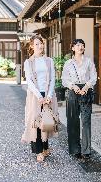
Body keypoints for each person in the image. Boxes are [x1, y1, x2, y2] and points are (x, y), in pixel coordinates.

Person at [21, 34, 59, 162]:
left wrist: (48, 95)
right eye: (36, 44)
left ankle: (45, 147)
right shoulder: (28, 62)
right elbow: (29, 81)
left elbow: (53, 78)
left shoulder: (49, 60)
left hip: (48, 95)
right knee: (36, 123)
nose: (40, 46)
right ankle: (39, 151)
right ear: (32, 46)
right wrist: (39, 96)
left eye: (41, 43)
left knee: (47, 121)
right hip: (35, 96)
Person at [61, 39, 97, 159]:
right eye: (77, 45)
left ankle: (86, 150)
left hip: (86, 91)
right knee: (73, 121)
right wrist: (73, 86)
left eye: (82, 45)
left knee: (86, 121)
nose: (80, 47)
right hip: (73, 91)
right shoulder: (68, 63)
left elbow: (93, 77)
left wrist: (86, 86)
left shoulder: (89, 62)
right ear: (73, 48)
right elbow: (64, 79)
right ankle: (75, 149)